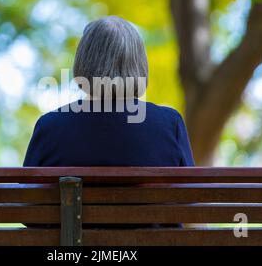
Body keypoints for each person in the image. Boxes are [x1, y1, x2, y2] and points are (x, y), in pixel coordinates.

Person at [24, 16, 194, 167]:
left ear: (84, 62)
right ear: (138, 64)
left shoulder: (50, 128)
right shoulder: (170, 125)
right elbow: (190, 196)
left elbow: (27, 198)